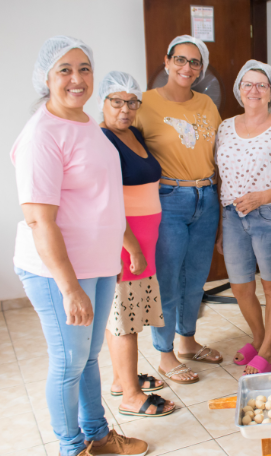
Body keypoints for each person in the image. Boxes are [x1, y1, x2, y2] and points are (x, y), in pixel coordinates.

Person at [12, 36, 148, 456]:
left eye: (84, 69)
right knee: (69, 363)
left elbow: (102, 196)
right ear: (46, 78)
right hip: (59, 272)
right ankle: (72, 448)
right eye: (65, 70)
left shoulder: (87, 124)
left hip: (99, 263)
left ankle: (99, 435)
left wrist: (128, 244)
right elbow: (39, 219)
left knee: (89, 358)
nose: (77, 79)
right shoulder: (42, 134)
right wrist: (69, 288)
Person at [133, 35, 222, 384]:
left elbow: (216, 154)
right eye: (181, 60)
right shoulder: (144, 103)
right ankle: (165, 353)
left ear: (201, 70)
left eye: (195, 62)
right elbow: (123, 146)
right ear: (167, 62)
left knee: (196, 278)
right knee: (168, 280)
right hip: (169, 200)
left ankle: (187, 341)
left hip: (206, 197)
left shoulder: (207, 106)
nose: (188, 67)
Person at [215, 60, 271, 375]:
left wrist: (261, 197)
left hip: (268, 214)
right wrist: (220, 226)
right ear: (239, 90)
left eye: (261, 85)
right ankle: (258, 338)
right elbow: (220, 178)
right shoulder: (225, 127)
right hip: (232, 215)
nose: (254, 90)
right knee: (240, 286)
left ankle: (270, 349)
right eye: (247, 84)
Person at [98, 71, 175, 418]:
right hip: (125, 242)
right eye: (117, 102)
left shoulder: (134, 134)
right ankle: (130, 395)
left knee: (128, 314)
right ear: (102, 102)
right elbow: (107, 203)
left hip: (143, 238)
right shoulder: (102, 141)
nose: (125, 109)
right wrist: (132, 248)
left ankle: (121, 378)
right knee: (125, 319)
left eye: (132, 102)